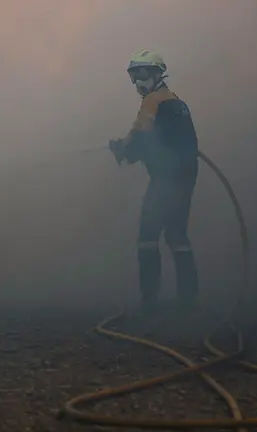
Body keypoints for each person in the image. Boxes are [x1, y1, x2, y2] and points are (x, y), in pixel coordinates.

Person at [109, 49, 200, 313]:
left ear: (158, 74)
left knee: (147, 236)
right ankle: (188, 297)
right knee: (176, 233)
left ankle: (149, 300)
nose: (139, 82)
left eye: (143, 75)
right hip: (184, 178)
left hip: (165, 180)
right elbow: (160, 142)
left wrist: (121, 148)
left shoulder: (154, 101)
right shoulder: (176, 102)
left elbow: (139, 136)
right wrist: (129, 148)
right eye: (134, 77)